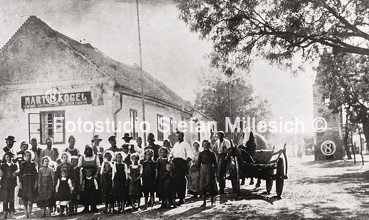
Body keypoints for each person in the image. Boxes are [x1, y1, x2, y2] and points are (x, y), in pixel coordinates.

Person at [169, 131, 193, 205]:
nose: (178, 137)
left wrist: (185, 163)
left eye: (179, 136)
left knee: (182, 180)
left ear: (183, 136)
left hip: (182, 163)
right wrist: (170, 158)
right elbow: (171, 153)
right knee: (175, 180)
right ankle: (177, 197)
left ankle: (182, 198)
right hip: (175, 163)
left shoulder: (186, 145)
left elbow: (190, 156)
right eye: (177, 136)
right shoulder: (176, 144)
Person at [18, 150, 38, 219]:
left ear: (31, 156)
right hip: (24, 182)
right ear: (24, 157)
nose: (28, 157)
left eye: (29, 156)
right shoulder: (22, 164)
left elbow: (36, 174)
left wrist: (36, 183)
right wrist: (20, 183)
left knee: (30, 197)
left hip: (31, 182)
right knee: (24, 198)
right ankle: (25, 212)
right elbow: (20, 174)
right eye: (27, 156)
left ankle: (30, 213)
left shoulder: (33, 164)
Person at [199, 140, 218, 207]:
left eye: (207, 144)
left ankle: (212, 201)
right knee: (203, 186)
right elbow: (199, 163)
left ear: (209, 145)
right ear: (202, 145)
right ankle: (204, 201)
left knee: (211, 185)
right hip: (203, 170)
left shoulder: (212, 154)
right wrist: (199, 172)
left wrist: (216, 171)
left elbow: (215, 163)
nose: (205, 146)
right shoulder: (201, 154)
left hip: (210, 170)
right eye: (204, 144)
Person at [0, 152, 18, 219]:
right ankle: (5, 213)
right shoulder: (2, 165)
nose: (8, 158)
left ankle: (12, 213)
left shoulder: (14, 165)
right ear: (5, 158)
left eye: (10, 157)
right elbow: (1, 173)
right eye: (7, 157)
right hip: (4, 184)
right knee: (5, 199)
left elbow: (18, 171)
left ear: (12, 157)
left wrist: (16, 172)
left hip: (12, 184)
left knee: (11, 199)